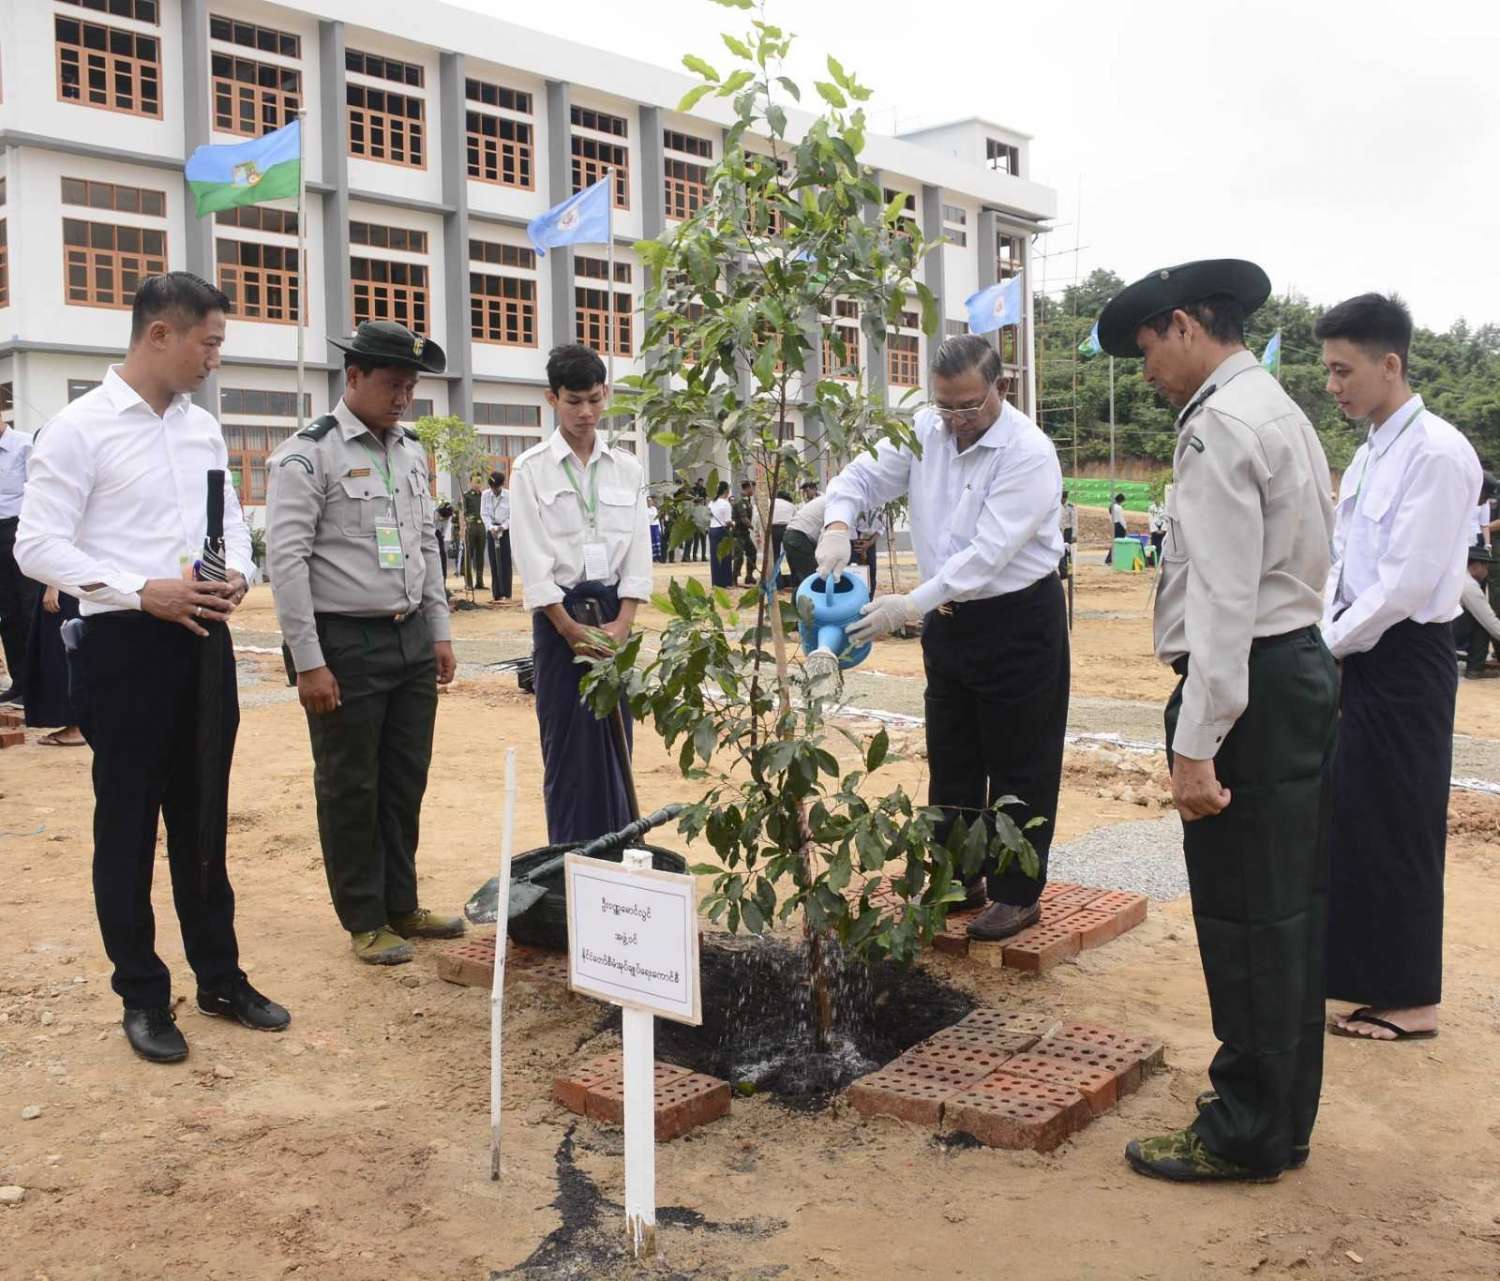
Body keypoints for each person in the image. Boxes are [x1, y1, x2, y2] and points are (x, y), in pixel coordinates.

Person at [1096, 258, 1338, 1185]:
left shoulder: (1219, 426)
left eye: (1148, 348)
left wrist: (1197, 743)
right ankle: (1281, 1117)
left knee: (1244, 916)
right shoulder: (1277, 409)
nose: (1147, 372)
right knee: (1289, 910)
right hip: (1294, 669)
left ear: (1186, 325)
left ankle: (1242, 1128)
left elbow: (1226, 602)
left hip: (1250, 688)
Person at [16, 271, 289, 1062]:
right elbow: (37, 545)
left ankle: (221, 977)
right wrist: (140, 590)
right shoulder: (79, 429)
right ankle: (141, 992)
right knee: (129, 825)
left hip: (203, 640)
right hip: (125, 646)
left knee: (204, 818)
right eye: (209, 342)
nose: (215, 358)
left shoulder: (201, 429)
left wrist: (238, 573)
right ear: (159, 334)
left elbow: (231, 522)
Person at [816, 334, 1068, 942]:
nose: (956, 420)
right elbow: (861, 475)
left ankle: (1016, 894)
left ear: (1001, 387)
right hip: (949, 622)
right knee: (953, 756)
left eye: (969, 406)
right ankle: (957, 876)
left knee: (1021, 760)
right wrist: (837, 524)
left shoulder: (1028, 453)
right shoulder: (926, 431)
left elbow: (987, 555)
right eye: (945, 406)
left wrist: (908, 604)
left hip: (1016, 620)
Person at [266, 319, 463, 967]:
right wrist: (309, 661)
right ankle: (365, 917)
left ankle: (402, 902)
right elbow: (287, 564)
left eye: (410, 386)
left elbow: (424, 546)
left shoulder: (409, 452)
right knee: (351, 785)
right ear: (353, 377)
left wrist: (438, 630)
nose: (403, 397)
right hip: (345, 644)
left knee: (404, 780)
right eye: (392, 384)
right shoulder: (309, 454)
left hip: (409, 639)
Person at [1318, 292, 1482, 1043]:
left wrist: (1326, 644)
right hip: (1360, 649)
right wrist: (1326, 632)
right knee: (1359, 816)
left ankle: (1413, 1000)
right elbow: (1344, 563)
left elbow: (1406, 585)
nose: (1334, 385)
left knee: (1402, 821)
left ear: (1390, 364)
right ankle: (1373, 984)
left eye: (1344, 370)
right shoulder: (1369, 451)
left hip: (1407, 656)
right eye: (1328, 371)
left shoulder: (1438, 453)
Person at [510, 344, 653, 843]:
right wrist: (568, 629)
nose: (586, 412)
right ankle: (573, 855)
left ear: (605, 394)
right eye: (574, 401)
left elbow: (638, 550)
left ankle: (619, 849)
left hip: (614, 618)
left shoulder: (627, 468)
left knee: (616, 741)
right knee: (568, 747)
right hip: (560, 621)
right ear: (552, 398)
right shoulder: (531, 469)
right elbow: (532, 559)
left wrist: (624, 622)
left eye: (595, 399)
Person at [0, 411, 35, 704]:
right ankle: (19, 683)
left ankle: (37, 686)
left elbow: (38, 492)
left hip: (20, 530)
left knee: (28, 609)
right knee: (7, 613)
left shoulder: (25, 444)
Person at [23, 583, 84, 745]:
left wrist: (53, 586)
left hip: (64, 587)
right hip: (70, 586)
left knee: (58, 650)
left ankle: (76, 727)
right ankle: (78, 724)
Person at [1454, 546, 1500, 678]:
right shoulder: (1469, 585)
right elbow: (1491, 624)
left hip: (1434, 631)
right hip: (1447, 632)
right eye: (1486, 567)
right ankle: (1475, 668)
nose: (1487, 571)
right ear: (1476, 567)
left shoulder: (1457, 575)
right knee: (1482, 621)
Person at [482, 469, 513, 601]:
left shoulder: (509, 496)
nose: (494, 490)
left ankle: (506, 592)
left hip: (505, 530)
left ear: (502, 485)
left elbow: (513, 515)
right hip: (491, 530)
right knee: (494, 561)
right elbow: (484, 513)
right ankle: (497, 593)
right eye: (492, 488)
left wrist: (503, 527)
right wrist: (491, 527)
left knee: (505, 561)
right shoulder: (485, 495)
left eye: (496, 487)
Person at [783, 493, 826, 587]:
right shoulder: (834, 504)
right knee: (811, 579)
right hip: (799, 537)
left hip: (790, 535)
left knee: (799, 580)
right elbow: (825, 535)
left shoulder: (824, 500)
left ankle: (797, 596)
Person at [461, 474, 486, 593]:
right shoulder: (466, 496)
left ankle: (479, 582)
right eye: (475, 482)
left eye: (479, 482)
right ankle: (468, 582)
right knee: (468, 555)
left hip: (481, 526)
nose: (477, 484)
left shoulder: (484, 496)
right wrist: (464, 526)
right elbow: (463, 513)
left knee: (480, 555)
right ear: (470, 482)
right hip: (470, 527)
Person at [708, 481, 734, 588]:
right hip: (723, 530)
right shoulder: (726, 504)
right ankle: (726, 582)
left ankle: (716, 582)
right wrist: (734, 524)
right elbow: (728, 521)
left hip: (712, 530)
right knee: (725, 556)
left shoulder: (711, 503)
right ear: (726, 491)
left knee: (715, 557)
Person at [732, 479, 757, 585]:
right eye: (753, 488)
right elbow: (744, 518)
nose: (754, 491)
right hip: (738, 533)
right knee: (738, 556)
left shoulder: (747, 500)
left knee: (752, 552)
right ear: (748, 488)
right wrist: (754, 528)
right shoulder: (739, 501)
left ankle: (749, 576)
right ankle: (734, 578)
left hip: (745, 533)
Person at [1104, 491, 1128, 565]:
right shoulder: (1118, 507)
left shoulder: (1111, 506)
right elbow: (1121, 519)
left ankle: (1110, 559)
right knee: (1120, 543)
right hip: (1119, 526)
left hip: (1114, 525)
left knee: (1115, 543)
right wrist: (1125, 527)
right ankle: (1111, 559)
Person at [1058, 489, 1077, 579]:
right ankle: (1063, 571)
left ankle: (1068, 571)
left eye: (1064, 498)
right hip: (1058, 531)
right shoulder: (1056, 506)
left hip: (1067, 531)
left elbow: (1074, 522)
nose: (1063, 500)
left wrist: (1074, 535)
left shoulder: (1070, 507)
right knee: (1060, 551)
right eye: (1062, 498)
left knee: (1068, 553)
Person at [435, 500, 454, 583]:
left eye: (446, 518)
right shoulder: (433, 514)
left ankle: (443, 581)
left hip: (439, 535)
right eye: (443, 517)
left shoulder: (448, 516)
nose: (444, 519)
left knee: (442, 556)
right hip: (429, 534)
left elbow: (444, 532)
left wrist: (441, 541)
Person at [1147, 497, 1167, 564]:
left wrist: (1163, 528)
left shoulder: (1165, 507)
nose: (1157, 500)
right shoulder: (1151, 508)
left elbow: (1166, 519)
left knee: (1162, 545)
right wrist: (1155, 529)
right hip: (1154, 530)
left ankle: (1162, 561)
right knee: (1154, 546)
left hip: (1163, 530)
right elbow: (1150, 519)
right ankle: (1154, 561)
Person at [647, 494, 662, 561]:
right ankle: (653, 556)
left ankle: (659, 556)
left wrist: (659, 528)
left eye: (651, 501)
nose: (650, 502)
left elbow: (657, 519)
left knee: (657, 541)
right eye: (648, 501)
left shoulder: (654, 508)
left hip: (656, 526)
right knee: (652, 542)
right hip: (650, 526)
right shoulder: (645, 509)